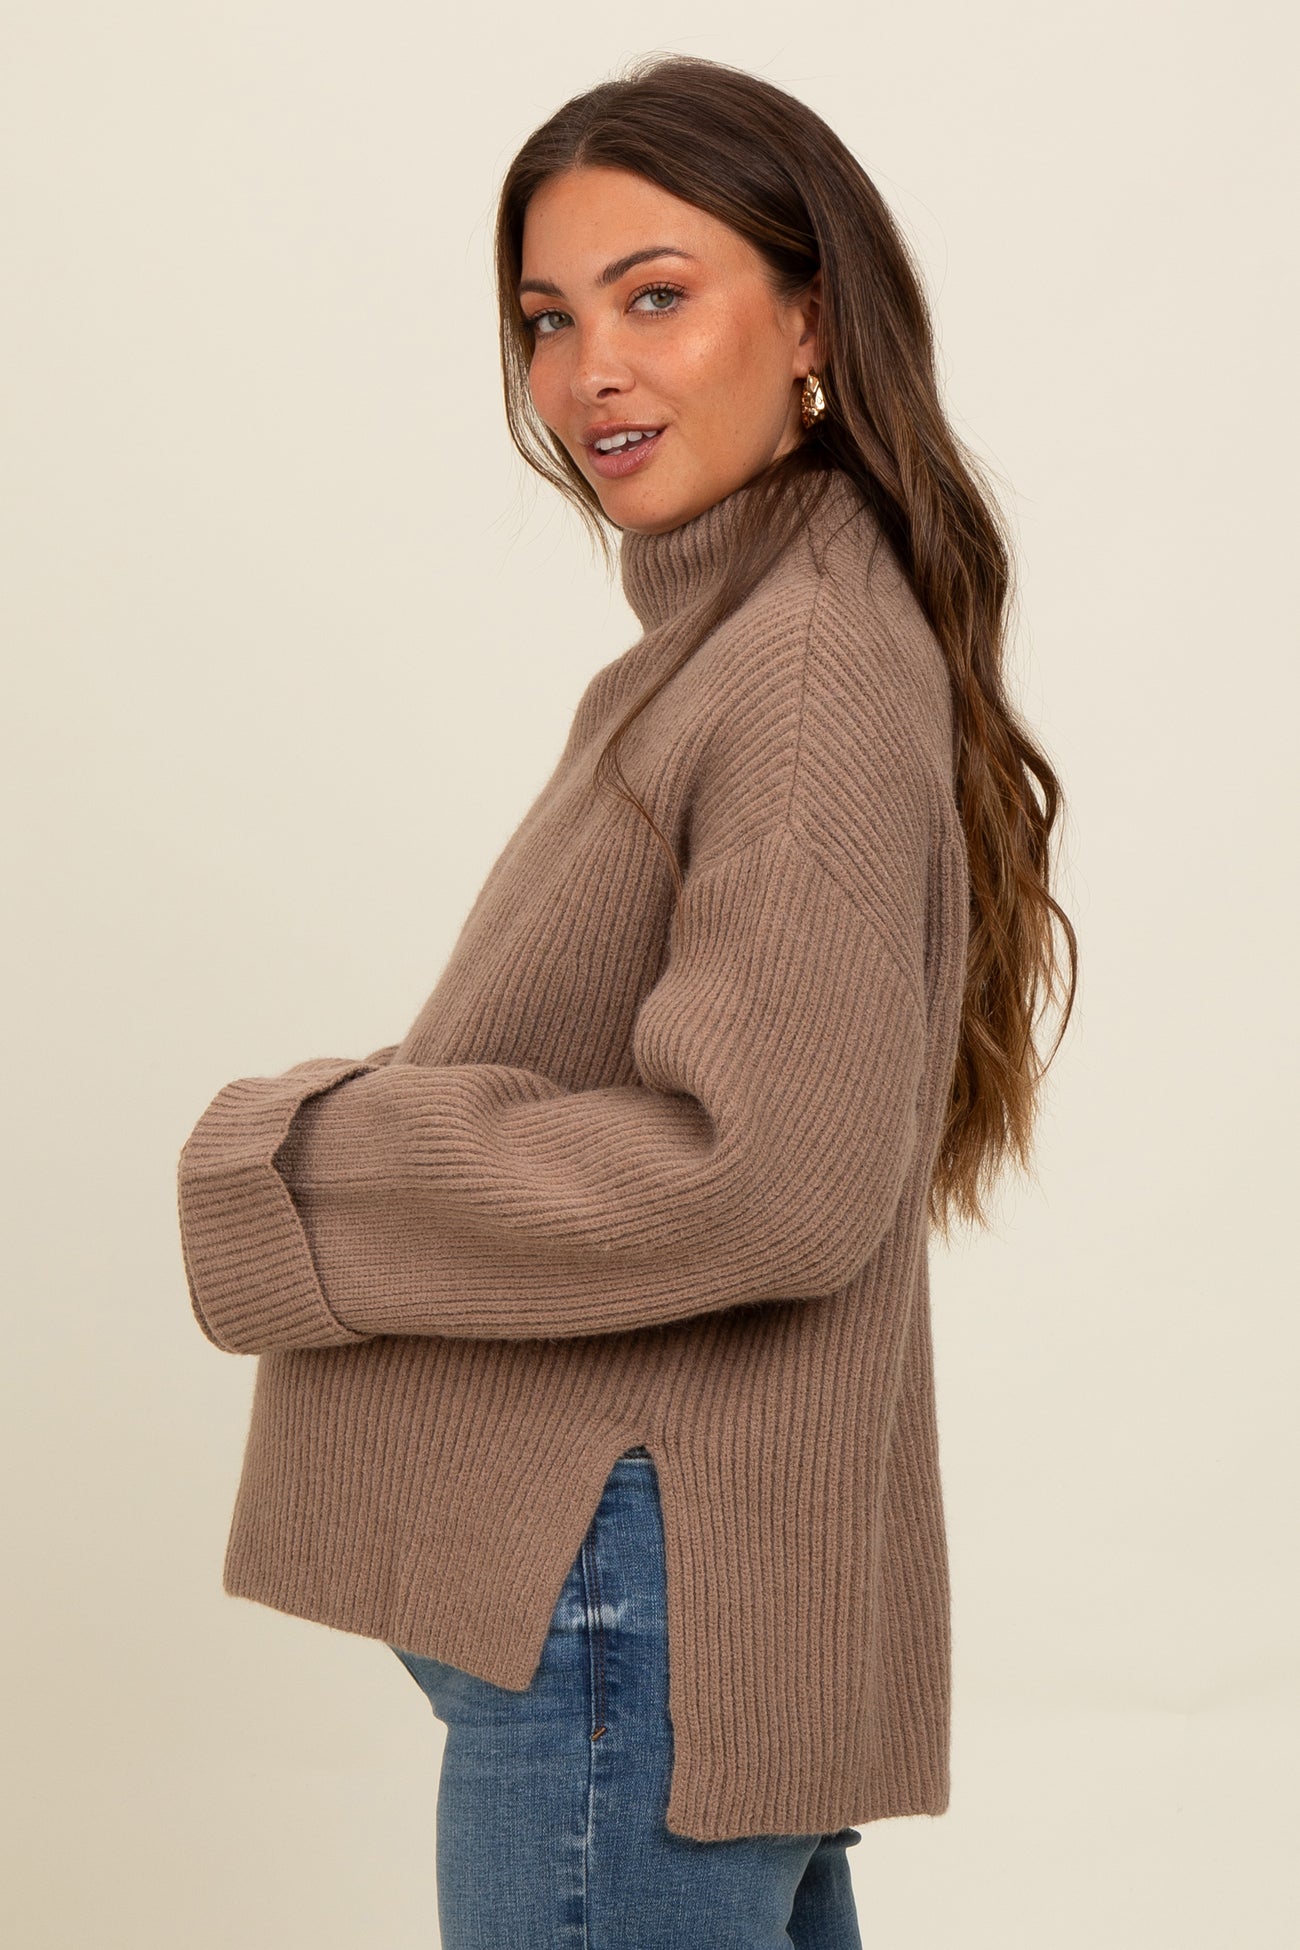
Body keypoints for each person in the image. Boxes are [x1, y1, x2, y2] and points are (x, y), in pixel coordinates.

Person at [176, 51, 1077, 1950]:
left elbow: (769, 1175)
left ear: (811, 316)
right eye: (547, 318)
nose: (591, 370)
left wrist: (307, 1157)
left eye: (656, 295)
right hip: (665, 1614)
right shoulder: (747, 643)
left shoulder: (799, 666)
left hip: (634, 1614)